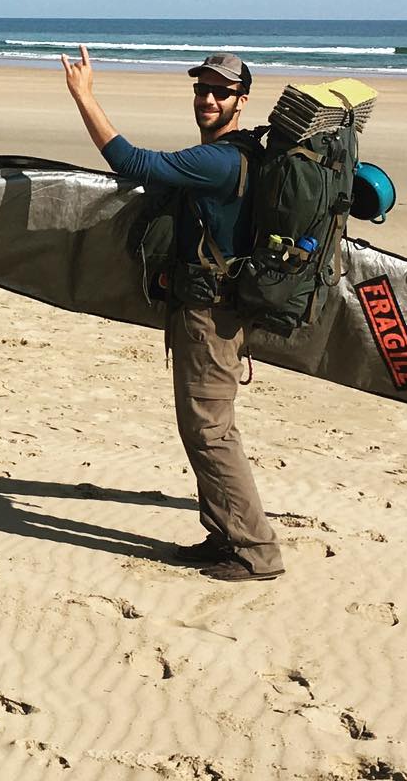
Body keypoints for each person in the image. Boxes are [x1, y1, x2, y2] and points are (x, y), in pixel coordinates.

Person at [61, 45, 284, 582]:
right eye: (202, 89)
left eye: (221, 92)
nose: (208, 98)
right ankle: (223, 534)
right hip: (214, 310)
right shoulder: (244, 155)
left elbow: (132, 162)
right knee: (201, 427)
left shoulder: (218, 161)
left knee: (211, 432)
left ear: (242, 100)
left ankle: (256, 552)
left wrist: (84, 96)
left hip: (210, 317)